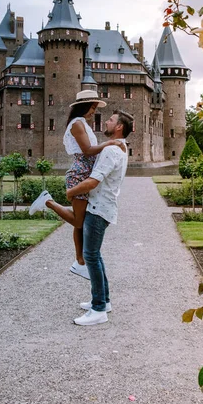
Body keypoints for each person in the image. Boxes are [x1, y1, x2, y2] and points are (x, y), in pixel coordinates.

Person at [28, 90, 124, 279]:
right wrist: (110, 143)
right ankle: (48, 201)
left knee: (80, 223)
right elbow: (88, 151)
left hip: (84, 173)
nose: (93, 112)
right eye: (92, 108)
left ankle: (80, 262)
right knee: (79, 221)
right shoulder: (77, 124)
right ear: (84, 106)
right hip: (79, 175)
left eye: (95, 108)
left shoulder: (82, 124)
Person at [68, 109, 133, 326]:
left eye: (111, 120)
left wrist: (71, 191)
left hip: (98, 208)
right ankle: (104, 300)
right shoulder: (120, 148)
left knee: (92, 256)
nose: (105, 121)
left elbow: (93, 181)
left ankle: (98, 310)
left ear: (119, 127)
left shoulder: (111, 151)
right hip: (103, 207)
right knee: (95, 255)